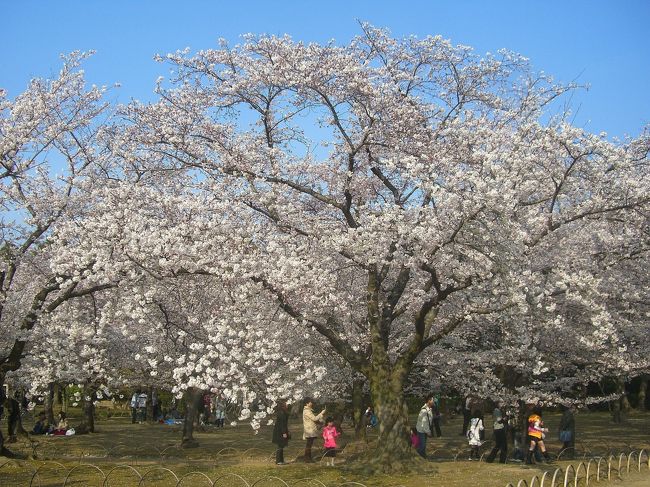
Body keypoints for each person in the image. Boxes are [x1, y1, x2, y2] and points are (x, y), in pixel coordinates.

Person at [302, 397, 326, 463]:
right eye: (310, 402)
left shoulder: (308, 410)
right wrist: (321, 413)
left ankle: (308, 457)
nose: (311, 403)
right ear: (307, 403)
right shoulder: (307, 411)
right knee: (309, 444)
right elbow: (314, 419)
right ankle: (307, 458)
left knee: (309, 444)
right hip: (309, 430)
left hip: (310, 430)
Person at [272, 400, 290, 465]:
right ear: (283, 405)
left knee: (281, 446)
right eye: (286, 404)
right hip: (280, 431)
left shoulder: (283, 412)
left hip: (280, 430)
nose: (288, 405)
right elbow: (282, 424)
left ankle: (281, 460)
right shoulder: (281, 413)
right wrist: (284, 432)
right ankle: (278, 460)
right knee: (280, 445)